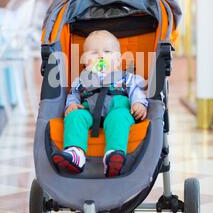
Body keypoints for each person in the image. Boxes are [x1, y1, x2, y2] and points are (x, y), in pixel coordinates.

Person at [51, 30, 148, 177]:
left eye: (107, 52)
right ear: (84, 60)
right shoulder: (82, 79)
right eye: (94, 53)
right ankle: (75, 154)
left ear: (117, 60)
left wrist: (139, 104)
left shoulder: (126, 77)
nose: (101, 56)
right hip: (89, 110)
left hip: (117, 110)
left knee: (119, 117)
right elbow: (73, 94)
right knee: (75, 117)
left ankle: (113, 156)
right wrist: (71, 105)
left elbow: (136, 91)